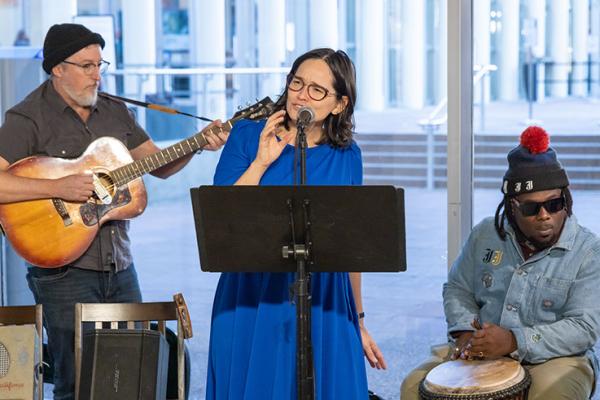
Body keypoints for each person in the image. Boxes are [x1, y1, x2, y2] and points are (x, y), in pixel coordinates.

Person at [0, 23, 227, 400]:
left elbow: (158, 164)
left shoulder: (115, 111)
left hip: (119, 264)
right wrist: (57, 187)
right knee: (75, 381)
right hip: (62, 272)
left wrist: (199, 143)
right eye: (86, 66)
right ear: (58, 68)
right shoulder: (28, 117)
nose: (97, 74)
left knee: (133, 372)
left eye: (99, 64)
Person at [206, 48, 387, 399]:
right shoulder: (246, 136)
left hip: (325, 297)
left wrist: (359, 321)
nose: (301, 95)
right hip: (252, 294)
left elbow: (350, 248)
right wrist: (260, 163)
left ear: (339, 104)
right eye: (297, 83)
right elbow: (222, 220)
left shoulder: (347, 155)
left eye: (316, 90)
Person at [400, 126, 600, 400]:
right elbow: (458, 288)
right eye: (532, 208)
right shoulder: (485, 234)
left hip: (556, 358)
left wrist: (514, 341)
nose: (545, 216)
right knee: (413, 388)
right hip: (480, 348)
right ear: (511, 207)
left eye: (554, 204)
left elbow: (584, 327)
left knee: (554, 394)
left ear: (566, 200)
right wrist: (464, 332)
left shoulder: (588, 250)